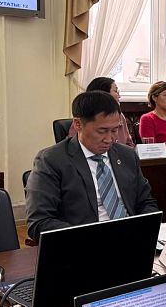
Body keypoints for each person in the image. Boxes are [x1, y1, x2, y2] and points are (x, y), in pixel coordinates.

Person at [26, 91, 158, 241]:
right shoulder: (51, 160)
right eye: (102, 131)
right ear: (78, 124)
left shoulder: (127, 155)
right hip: (83, 243)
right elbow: (39, 221)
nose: (109, 139)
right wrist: (89, 237)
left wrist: (144, 228)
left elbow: (146, 202)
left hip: (131, 239)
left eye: (115, 130)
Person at [67, 77, 134, 148]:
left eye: (114, 130)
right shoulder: (84, 118)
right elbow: (73, 147)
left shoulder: (119, 116)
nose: (119, 96)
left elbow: (129, 144)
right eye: (116, 91)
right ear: (103, 93)